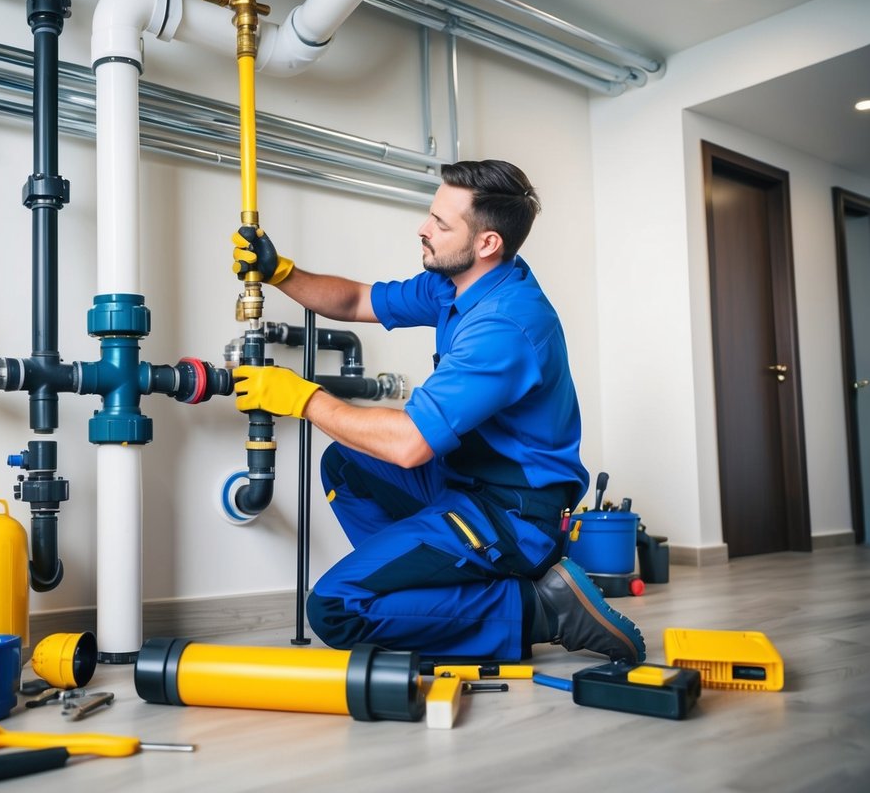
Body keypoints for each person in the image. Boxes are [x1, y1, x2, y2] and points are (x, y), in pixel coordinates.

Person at [230, 159, 644, 664]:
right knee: (347, 464)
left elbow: (408, 445)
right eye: (431, 214)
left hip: (514, 515)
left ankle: (540, 608)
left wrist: (304, 398)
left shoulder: (505, 326)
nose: (424, 229)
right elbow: (358, 299)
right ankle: (438, 591)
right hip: (461, 486)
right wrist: (282, 274)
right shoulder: (458, 284)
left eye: (440, 224)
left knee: (335, 609)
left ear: (487, 242)